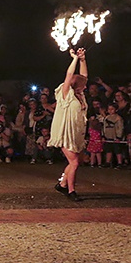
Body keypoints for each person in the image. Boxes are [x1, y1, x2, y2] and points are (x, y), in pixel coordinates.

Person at [49, 48, 88, 201]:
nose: (85, 87)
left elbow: (83, 76)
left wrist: (83, 59)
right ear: (76, 86)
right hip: (65, 132)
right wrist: (74, 59)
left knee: (75, 162)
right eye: (83, 85)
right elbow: (69, 75)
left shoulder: (80, 95)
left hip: (76, 132)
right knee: (75, 162)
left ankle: (62, 184)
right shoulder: (66, 94)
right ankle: (71, 191)